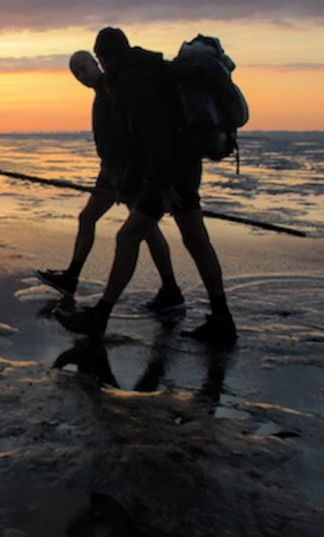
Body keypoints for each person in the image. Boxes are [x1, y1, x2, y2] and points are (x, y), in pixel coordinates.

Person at [56, 27, 238, 347]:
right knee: (195, 240)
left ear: (102, 58)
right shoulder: (147, 69)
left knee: (128, 236)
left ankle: (100, 315)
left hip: (169, 172)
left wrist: (162, 184)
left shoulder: (133, 80)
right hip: (183, 166)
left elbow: (153, 134)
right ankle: (221, 318)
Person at [36, 51, 184, 315]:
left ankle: (171, 289)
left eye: (84, 68)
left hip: (128, 173)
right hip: (110, 172)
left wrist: (130, 177)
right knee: (88, 218)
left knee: (144, 230)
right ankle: (71, 277)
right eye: (77, 73)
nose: (82, 75)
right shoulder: (102, 92)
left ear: (97, 63)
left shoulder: (115, 90)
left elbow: (132, 136)